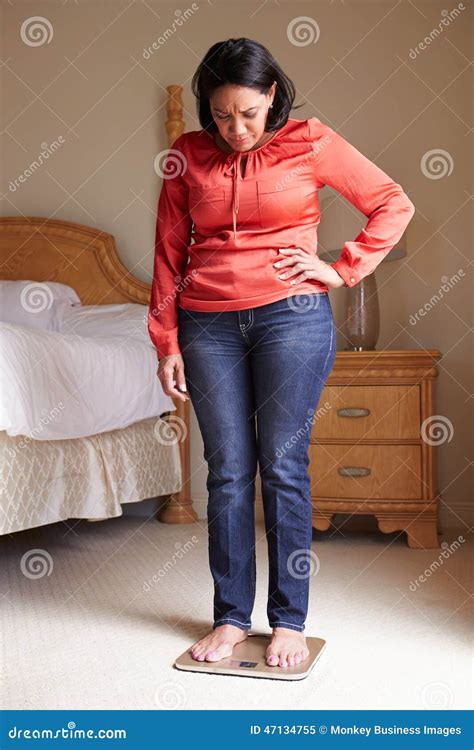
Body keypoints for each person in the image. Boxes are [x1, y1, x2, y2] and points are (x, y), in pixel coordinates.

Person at [148, 38, 415, 669]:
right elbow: (166, 254)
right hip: (207, 325)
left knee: (285, 466)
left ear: (272, 96)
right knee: (229, 472)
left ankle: (290, 620)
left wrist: (340, 269)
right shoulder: (186, 155)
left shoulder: (310, 141)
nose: (235, 129)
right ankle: (231, 618)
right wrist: (166, 342)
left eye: (247, 112)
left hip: (290, 320)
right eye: (220, 115)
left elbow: (392, 204)